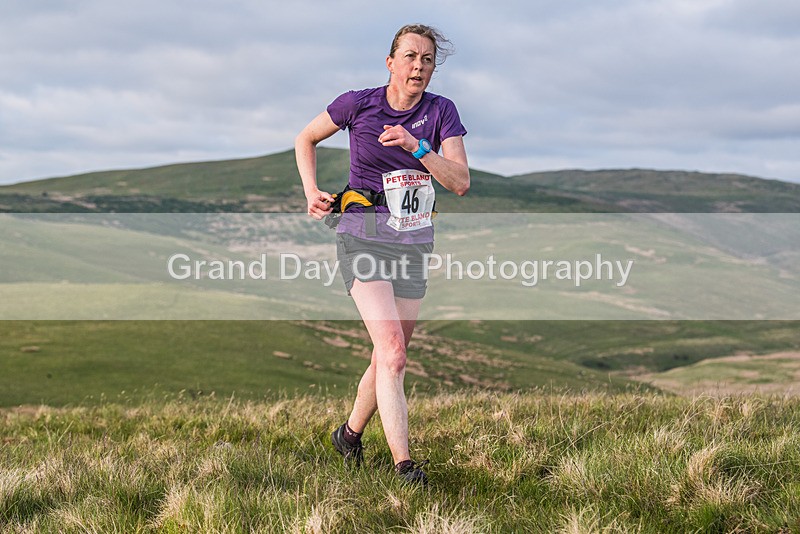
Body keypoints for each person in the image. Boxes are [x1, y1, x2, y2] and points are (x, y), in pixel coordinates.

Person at [295, 23, 470, 484]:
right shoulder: (359, 103)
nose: (419, 66)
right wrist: (312, 190)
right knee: (392, 352)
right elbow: (306, 139)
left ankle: (349, 436)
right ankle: (404, 466)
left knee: (387, 355)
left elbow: (459, 182)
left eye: (428, 59)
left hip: (413, 242)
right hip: (362, 235)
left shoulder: (441, 112)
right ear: (391, 62)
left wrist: (419, 147)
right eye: (410, 56)